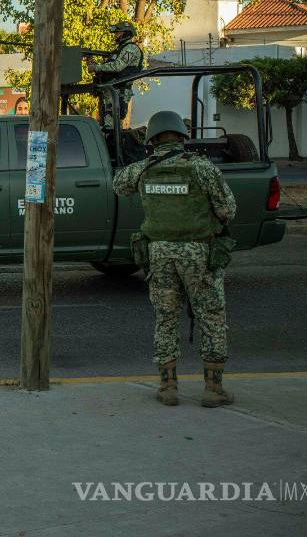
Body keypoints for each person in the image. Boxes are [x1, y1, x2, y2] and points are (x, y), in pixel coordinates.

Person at [112, 111, 237, 408]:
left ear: (152, 140)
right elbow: (227, 210)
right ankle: (213, 388)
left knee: (166, 318)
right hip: (198, 252)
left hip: (159, 253)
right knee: (211, 316)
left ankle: (167, 386)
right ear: (182, 137)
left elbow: (118, 185)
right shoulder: (201, 168)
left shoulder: (142, 169)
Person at [90, 21, 144, 129]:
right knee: (107, 125)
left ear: (126, 33)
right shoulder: (119, 50)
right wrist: (96, 66)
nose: (116, 35)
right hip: (110, 91)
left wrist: (95, 67)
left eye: (118, 33)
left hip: (119, 92)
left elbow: (117, 66)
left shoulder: (131, 48)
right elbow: (110, 68)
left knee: (111, 127)